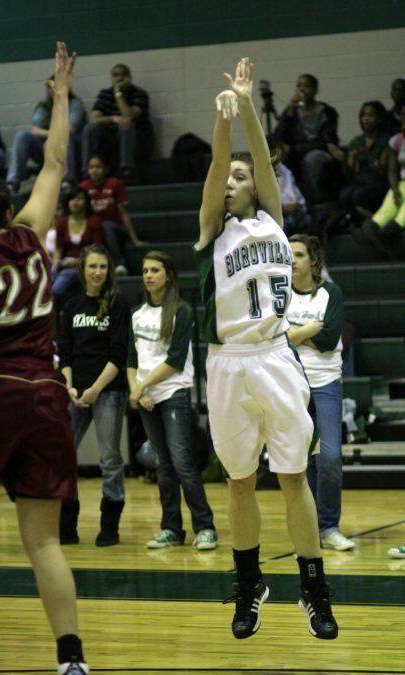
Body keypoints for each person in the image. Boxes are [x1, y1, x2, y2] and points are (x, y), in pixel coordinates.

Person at [0, 42, 90, 675]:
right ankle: (71, 660)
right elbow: (56, 161)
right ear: (6, 211)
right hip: (46, 397)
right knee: (42, 542)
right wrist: (62, 95)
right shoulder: (32, 235)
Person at [195, 57, 338, 640]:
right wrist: (223, 117)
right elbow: (217, 161)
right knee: (237, 482)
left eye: (239, 176)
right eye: (226, 178)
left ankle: (314, 589)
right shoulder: (212, 228)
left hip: (276, 355)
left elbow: (259, 158)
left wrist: (248, 102)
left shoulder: (275, 220)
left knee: (294, 478)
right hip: (227, 363)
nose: (230, 181)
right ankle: (249, 583)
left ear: (255, 183)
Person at [127, 250, 217, 551]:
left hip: (173, 393)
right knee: (162, 464)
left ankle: (205, 527)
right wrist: (138, 389)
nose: (149, 275)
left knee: (182, 462)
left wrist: (143, 387)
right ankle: (171, 528)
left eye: (155, 270)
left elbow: (176, 360)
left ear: (169, 275)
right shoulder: (137, 314)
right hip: (147, 395)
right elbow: (130, 358)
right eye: (145, 270)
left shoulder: (180, 310)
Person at [57, 243, 130, 546]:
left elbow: (118, 353)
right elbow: (65, 353)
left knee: (110, 459)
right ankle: (67, 526)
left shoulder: (118, 304)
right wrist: (70, 387)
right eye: (93, 266)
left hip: (108, 391)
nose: (98, 272)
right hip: (75, 392)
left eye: (103, 267)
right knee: (63, 457)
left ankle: (109, 527)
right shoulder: (71, 306)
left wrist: (96, 389)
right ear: (82, 270)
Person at [287, 234, 354, 552]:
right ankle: (311, 526)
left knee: (328, 458)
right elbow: (273, 338)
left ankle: (328, 526)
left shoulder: (331, 293)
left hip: (325, 385)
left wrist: (292, 335)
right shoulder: (279, 294)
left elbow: (329, 340)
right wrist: (304, 332)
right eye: (288, 253)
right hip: (289, 384)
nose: (293, 259)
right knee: (302, 461)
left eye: (298, 254)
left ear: (313, 261)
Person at [6, 76, 86, 193]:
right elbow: (34, 129)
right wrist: (51, 135)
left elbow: (70, 128)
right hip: (49, 151)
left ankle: (68, 180)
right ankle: (13, 182)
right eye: (50, 88)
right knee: (22, 136)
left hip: (71, 152)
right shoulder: (44, 106)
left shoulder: (75, 104)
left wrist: (55, 136)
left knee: (66, 137)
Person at [274, 73, 339, 207]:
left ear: (315, 91)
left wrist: (296, 148)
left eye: (307, 86)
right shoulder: (292, 111)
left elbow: (326, 141)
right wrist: (287, 115)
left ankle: (315, 204)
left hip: (320, 152)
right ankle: (287, 203)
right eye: (299, 86)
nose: (302, 89)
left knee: (311, 159)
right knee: (278, 158)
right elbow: (278, 136)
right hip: (298, 153)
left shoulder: (326, 112)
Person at [81, 63, 154, 180]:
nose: (120, 78)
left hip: (137, 140)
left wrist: (118, 94)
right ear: (111, 78)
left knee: (126, 124)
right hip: (112, 140)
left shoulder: (140, 94)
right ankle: (87, 171)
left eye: (123, 75)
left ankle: (127, 170)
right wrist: (113, 118)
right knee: (90, 128)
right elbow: (93, 119)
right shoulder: (104, 94)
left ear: (130, 78)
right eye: (116, 75)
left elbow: (128, 115)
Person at [355, 103, 405, 258]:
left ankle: (381, 244)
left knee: (399, 219)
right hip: (402, 184)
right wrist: (395, 189)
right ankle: (375, 240)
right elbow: (391, 170)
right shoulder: (396, 140)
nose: (403, 118)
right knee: (377, 220)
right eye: (402, 115)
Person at [79, 154, 141, 274]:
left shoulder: (115, 184)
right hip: (93, 229)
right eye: (91, 167)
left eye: (98, 167)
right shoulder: (83, 187)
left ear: (106, 169)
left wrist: (135, 240)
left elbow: (123, 214)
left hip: (114, 229)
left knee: (106, 225)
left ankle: (120, 264)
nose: (95, 170)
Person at [332, 101, 389, 214]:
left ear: (378, 118)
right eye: (364, 115)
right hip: (361, 182)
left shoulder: (385, 139)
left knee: (359, 196)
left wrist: (367, 155)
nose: (366, 118)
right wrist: (344, 160)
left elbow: (382, 172)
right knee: (344, 195)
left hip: (378, 183)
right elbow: (350, 176)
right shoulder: (356, 141)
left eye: (370, 115)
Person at [52, 186, 103, 296]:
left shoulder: (94, 222)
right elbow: (58, 248)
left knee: (65, 275)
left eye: (79, 198)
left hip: (87, 263)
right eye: (72, 199)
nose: (75, 202)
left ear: (86, 202)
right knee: (51, 271)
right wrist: (56, 260)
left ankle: (53, 295)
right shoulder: (62, 223)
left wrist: (76, 262)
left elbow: (96, 251)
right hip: (66, 262)